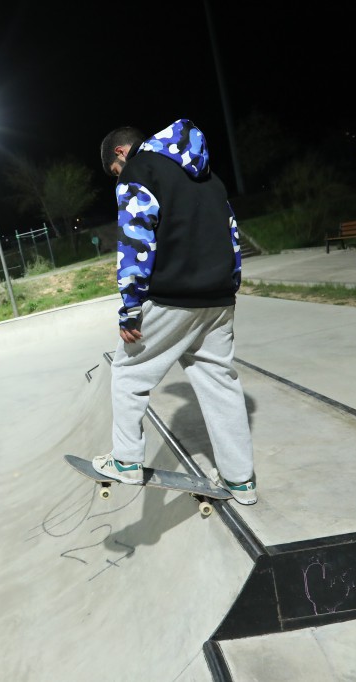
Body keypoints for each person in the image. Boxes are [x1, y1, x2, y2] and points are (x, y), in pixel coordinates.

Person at [92, 119, 257, 505]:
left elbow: (136, 240)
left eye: (115, 171)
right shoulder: (211, 178)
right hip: (220, 298)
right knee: (220, 383)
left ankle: (126, 460)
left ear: (121, 152)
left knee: (128, 371)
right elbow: (232, 235)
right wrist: (229, 285)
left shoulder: (138, 170)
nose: (118, 177)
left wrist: (130, 308)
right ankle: (240, 481)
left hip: (173, 297)